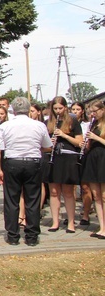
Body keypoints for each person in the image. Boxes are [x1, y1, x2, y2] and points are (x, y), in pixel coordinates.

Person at [0, 97, 53, 246]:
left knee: (11, 200)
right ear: (28, 109)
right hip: (32, 162)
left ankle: (13, 235)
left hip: (12, 162)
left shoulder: (5, 126)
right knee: (32, 200)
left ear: (12, 109)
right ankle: (32, 237)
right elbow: (48, 146)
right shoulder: (39, 125)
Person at [43, 96, 83, 233]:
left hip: (68, 158)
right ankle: (55, 222)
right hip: (53, 159)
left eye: (60, 108)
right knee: (54, 192)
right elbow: (43, 145)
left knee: (68, 192)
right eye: (55, 109)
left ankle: (71, 223)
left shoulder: (73, 121)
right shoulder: (47, 123)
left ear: (65, 108)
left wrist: (64, 135)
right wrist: (49, 143)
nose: (58, 111)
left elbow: (79, 142)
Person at [82, 101, 105, 238]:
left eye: (95, 111)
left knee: (104, 195)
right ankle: (101, 227)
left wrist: (95, 137)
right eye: (91, 112)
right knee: (96, 195)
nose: (93, 114)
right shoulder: (93, 124)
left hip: (103, 159)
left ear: (103, 110)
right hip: (93, 158)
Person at [72, 101, 93, 227]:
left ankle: (85, 214)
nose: (75, 112)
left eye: (77, 109)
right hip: (71, 155)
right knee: (71, 188)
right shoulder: (68, 123)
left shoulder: (87, 125)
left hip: (84, 155)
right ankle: (71, 214)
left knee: (85, 187)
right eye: (73, 109)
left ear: (82, 111)